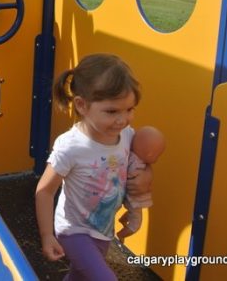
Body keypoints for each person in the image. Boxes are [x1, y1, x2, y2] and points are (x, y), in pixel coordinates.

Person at [35, 53, 153, 281]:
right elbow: (45, 190)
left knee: (80, 276)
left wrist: (140, 193)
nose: (123, 119)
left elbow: (138, 169)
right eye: (112, 111)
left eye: (129, 109)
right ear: (82, 105)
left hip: (102, 229)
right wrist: (47, 234)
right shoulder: (71, 147)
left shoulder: (126, 136)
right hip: (73, 230)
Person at [116, 126, 165, 243]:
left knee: (133, 213)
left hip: (125, 198)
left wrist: (148, 175)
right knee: (136, 224)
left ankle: (122, 222)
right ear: (149, 155)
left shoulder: (128, 137)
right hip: (132, 200)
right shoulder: (133, 161)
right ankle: (120, 235)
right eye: (157, 156)